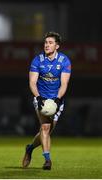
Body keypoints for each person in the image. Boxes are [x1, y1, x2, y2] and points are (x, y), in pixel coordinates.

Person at [22, 31, 71, 170]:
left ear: (57, 46)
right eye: (45, 42)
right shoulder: (38, 60)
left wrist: (57, 99)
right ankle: (47, 160)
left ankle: (30, 148)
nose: (47, 45)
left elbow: (64, 84)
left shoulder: (64, 61)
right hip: (41, 98)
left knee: (47, 131)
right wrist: (38, 97)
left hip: (57, 100)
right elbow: (32, 82)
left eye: (50, 43)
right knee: (45, 127)